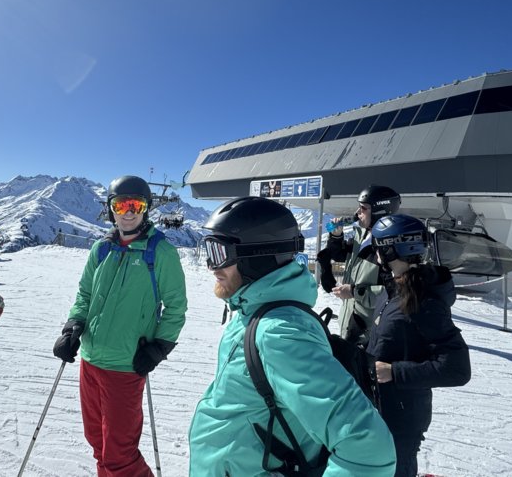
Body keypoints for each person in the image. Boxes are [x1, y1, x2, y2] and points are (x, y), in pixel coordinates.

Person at [189, 196, 396, 476]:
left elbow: (368, 446)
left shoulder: (280, 332)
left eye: (218, 253)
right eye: (208, 250)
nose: (211, 267)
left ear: (256, 258)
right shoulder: (252, 312)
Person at [52, 175, 187, 477]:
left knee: (119, 454)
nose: (128, 212)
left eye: (135, 205)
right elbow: (85, 295)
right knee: (98, 443)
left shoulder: (160, 253)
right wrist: (73, 327)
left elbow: (176, 308)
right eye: (120, 205)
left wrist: (158, 348)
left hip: (126, 365)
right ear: (110, 208)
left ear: (146, 209)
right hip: (90, 360)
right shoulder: (101, 249)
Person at [361, 214, 472, 477]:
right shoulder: (394, 290)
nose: (375, 255)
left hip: (401, 418)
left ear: (389, 250)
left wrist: (395, 372)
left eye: (377, 248)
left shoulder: (424, 302)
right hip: (379, 410)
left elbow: (457, 368)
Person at [320, 185, 401, 343]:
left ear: (379, 211)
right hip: (352, 325)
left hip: (371, 335)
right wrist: (336, 237)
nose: (358, 212)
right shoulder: (362, 235)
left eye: (363, 208)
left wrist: (354, 292)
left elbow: (395, 293)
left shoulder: (390, 248)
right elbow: (340, 255)